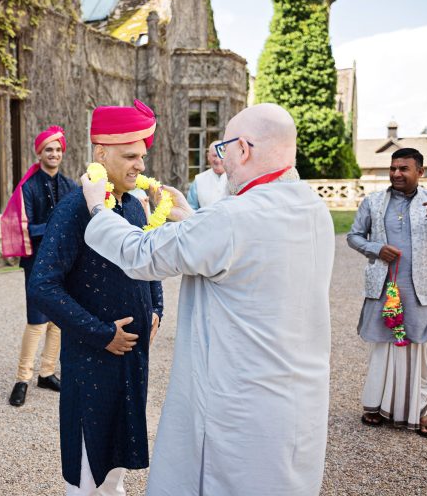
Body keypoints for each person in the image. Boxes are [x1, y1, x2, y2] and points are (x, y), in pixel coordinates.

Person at [82, 103, 334, 495]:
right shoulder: (310, 206)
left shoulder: (232, 219)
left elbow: (141, 254)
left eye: (224, 147)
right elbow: (245, 246)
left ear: (244, 149)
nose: (221, 158)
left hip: (238, 398)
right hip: (296, 395)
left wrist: (98, 209)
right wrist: (190, 219)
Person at [28, 100, 164, 496]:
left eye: (142, 156)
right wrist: (101, 333)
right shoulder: (74, 208)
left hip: (133, 357)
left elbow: (147, 257)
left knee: (118, 461)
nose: (140, 164)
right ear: (101, 154)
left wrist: (156, 307)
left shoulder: (133, 204)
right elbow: (43, 285)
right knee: (88, 472)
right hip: (93, 359)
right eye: (131, 156)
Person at [347, 147, 427, 437]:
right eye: (393, 168)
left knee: (421, 353)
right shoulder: (373, 202)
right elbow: (354, 236)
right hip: (385, 288)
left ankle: (420, 411)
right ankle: (374, 405)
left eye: (404, 168)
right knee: (383, 348)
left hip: (422, 291)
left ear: (420, 172)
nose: (396, 173)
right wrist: (376, 248)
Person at [2, 125, 78, 407]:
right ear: (40, 153)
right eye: (49, 149)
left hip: (65, 261)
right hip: (36, 261)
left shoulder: (70, 186)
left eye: (58, 150)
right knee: (36, 321)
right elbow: (26, 227)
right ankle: (23, 378)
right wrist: (57, 224)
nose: (54, 154)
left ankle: (46, 372)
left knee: (58, 320)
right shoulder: (29, 188)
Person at [186, 140, 228, 210]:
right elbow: (191, 210)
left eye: (221, 155)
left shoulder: (237, 179)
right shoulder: (198, 180)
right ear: (208, 156)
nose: (217, 160)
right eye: (214, 155)